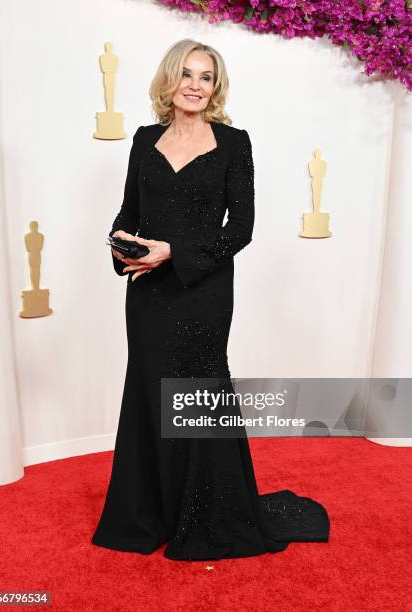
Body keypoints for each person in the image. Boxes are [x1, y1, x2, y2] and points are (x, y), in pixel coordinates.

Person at [91, 38, 330, 561]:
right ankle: (147, 514)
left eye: (206, 77)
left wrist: (172, 253)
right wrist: (125, 249)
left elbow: (239, 229)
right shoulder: (144, 138)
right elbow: (128, 211)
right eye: (188, 75)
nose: (196, 86)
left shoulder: (233, 142)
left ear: (215, 87)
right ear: (170, 81)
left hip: (203, 290)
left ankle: (204, 516)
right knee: (150, 395)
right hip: (148, 292)